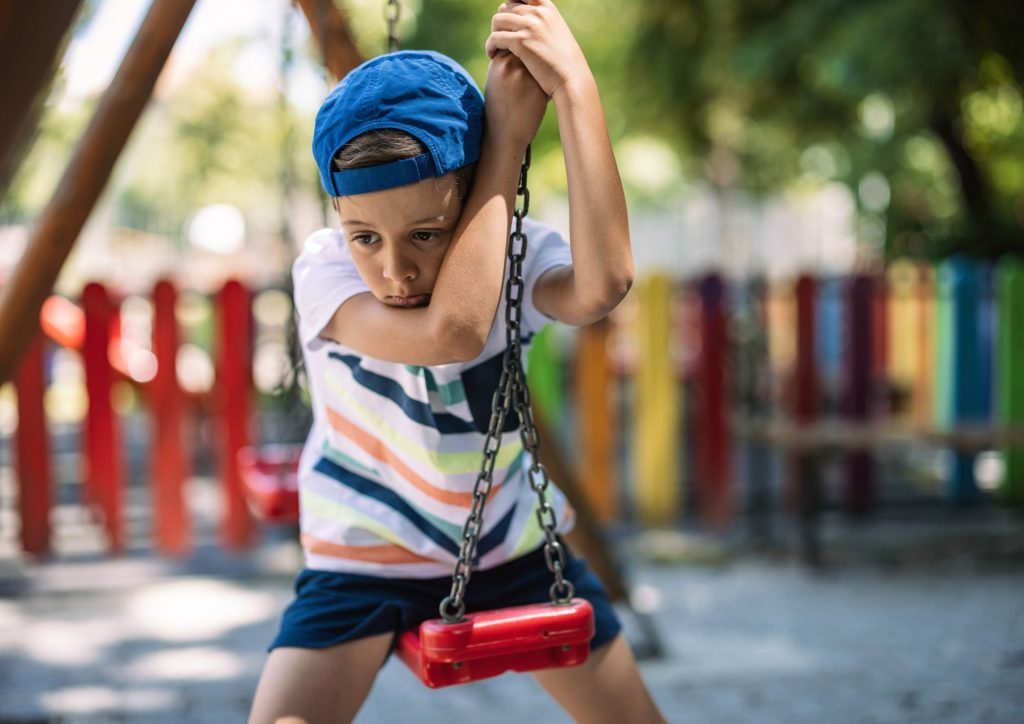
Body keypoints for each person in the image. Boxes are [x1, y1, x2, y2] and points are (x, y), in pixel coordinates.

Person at [249, 2, 665, 722]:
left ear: (475, 201)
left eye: (427, 233)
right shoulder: (326, 270)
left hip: (513, 550)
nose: (394, 271)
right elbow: (454, 334)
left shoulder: (518, 255)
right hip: (364, 556)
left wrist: (573, 87)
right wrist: (504, 142)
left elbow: (605, 285)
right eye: (366, 237)